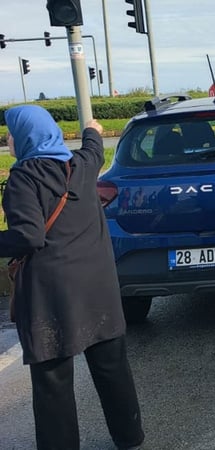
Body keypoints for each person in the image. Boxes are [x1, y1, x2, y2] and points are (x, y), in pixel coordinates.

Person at [0, 105, 144, 449]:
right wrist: (92, 129)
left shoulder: (24, 179)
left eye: (11, 133)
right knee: (111, 365)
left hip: (53, 294)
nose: (8, 139)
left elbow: (28, 236)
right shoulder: (81, 164)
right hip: (97, 286)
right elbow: (94, 147)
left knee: (53, 379)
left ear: (26, 137)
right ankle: (129, 436)